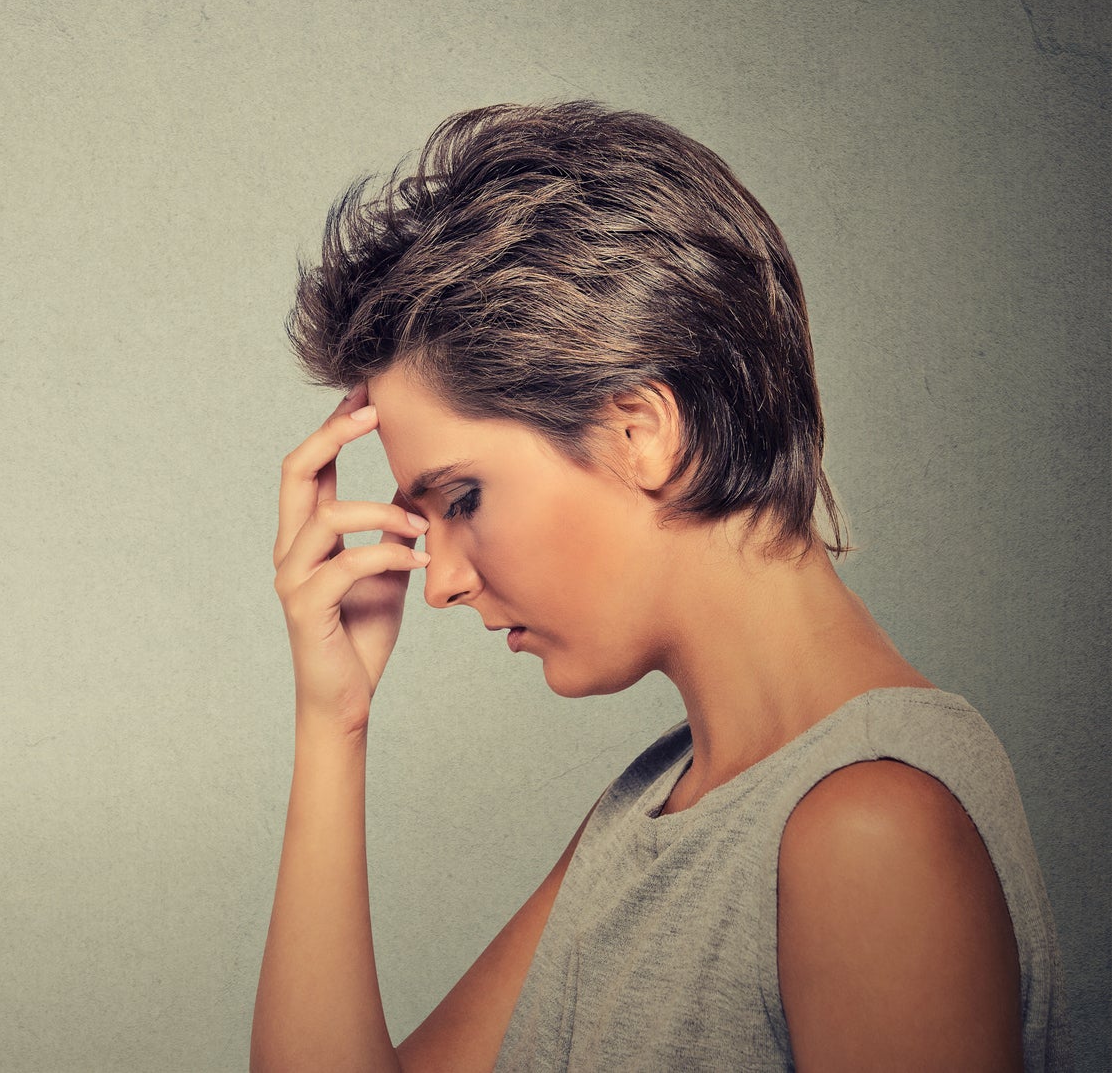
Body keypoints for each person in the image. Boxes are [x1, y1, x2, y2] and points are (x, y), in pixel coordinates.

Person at [247, 102, 1073, 1073]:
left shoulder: (870, 835)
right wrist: (333, 718)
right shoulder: (660, 808)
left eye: (463, 497)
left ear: (642, 428)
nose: (443, 583)